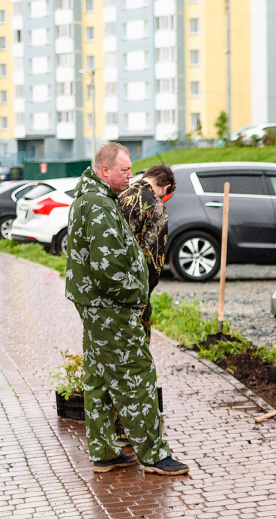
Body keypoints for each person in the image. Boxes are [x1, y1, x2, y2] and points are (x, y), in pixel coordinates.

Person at [66, 142, 189, 476]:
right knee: (136, 372)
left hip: (95, 304)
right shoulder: (99, 206)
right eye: (125, 170)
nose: (131, 176)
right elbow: (109, 267)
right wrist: (136, 295)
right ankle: (154, 455)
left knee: (98, 377)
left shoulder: (93, 199)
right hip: (110, 306)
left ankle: (104, 453)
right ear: (105, 170)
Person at [118, 164, 176, 336]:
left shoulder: (119, 195)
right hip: (135, 286)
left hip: (111, 279)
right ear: (166, 188)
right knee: (137, 342)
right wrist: (147, 292)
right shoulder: (154, 206)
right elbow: (154, 256)